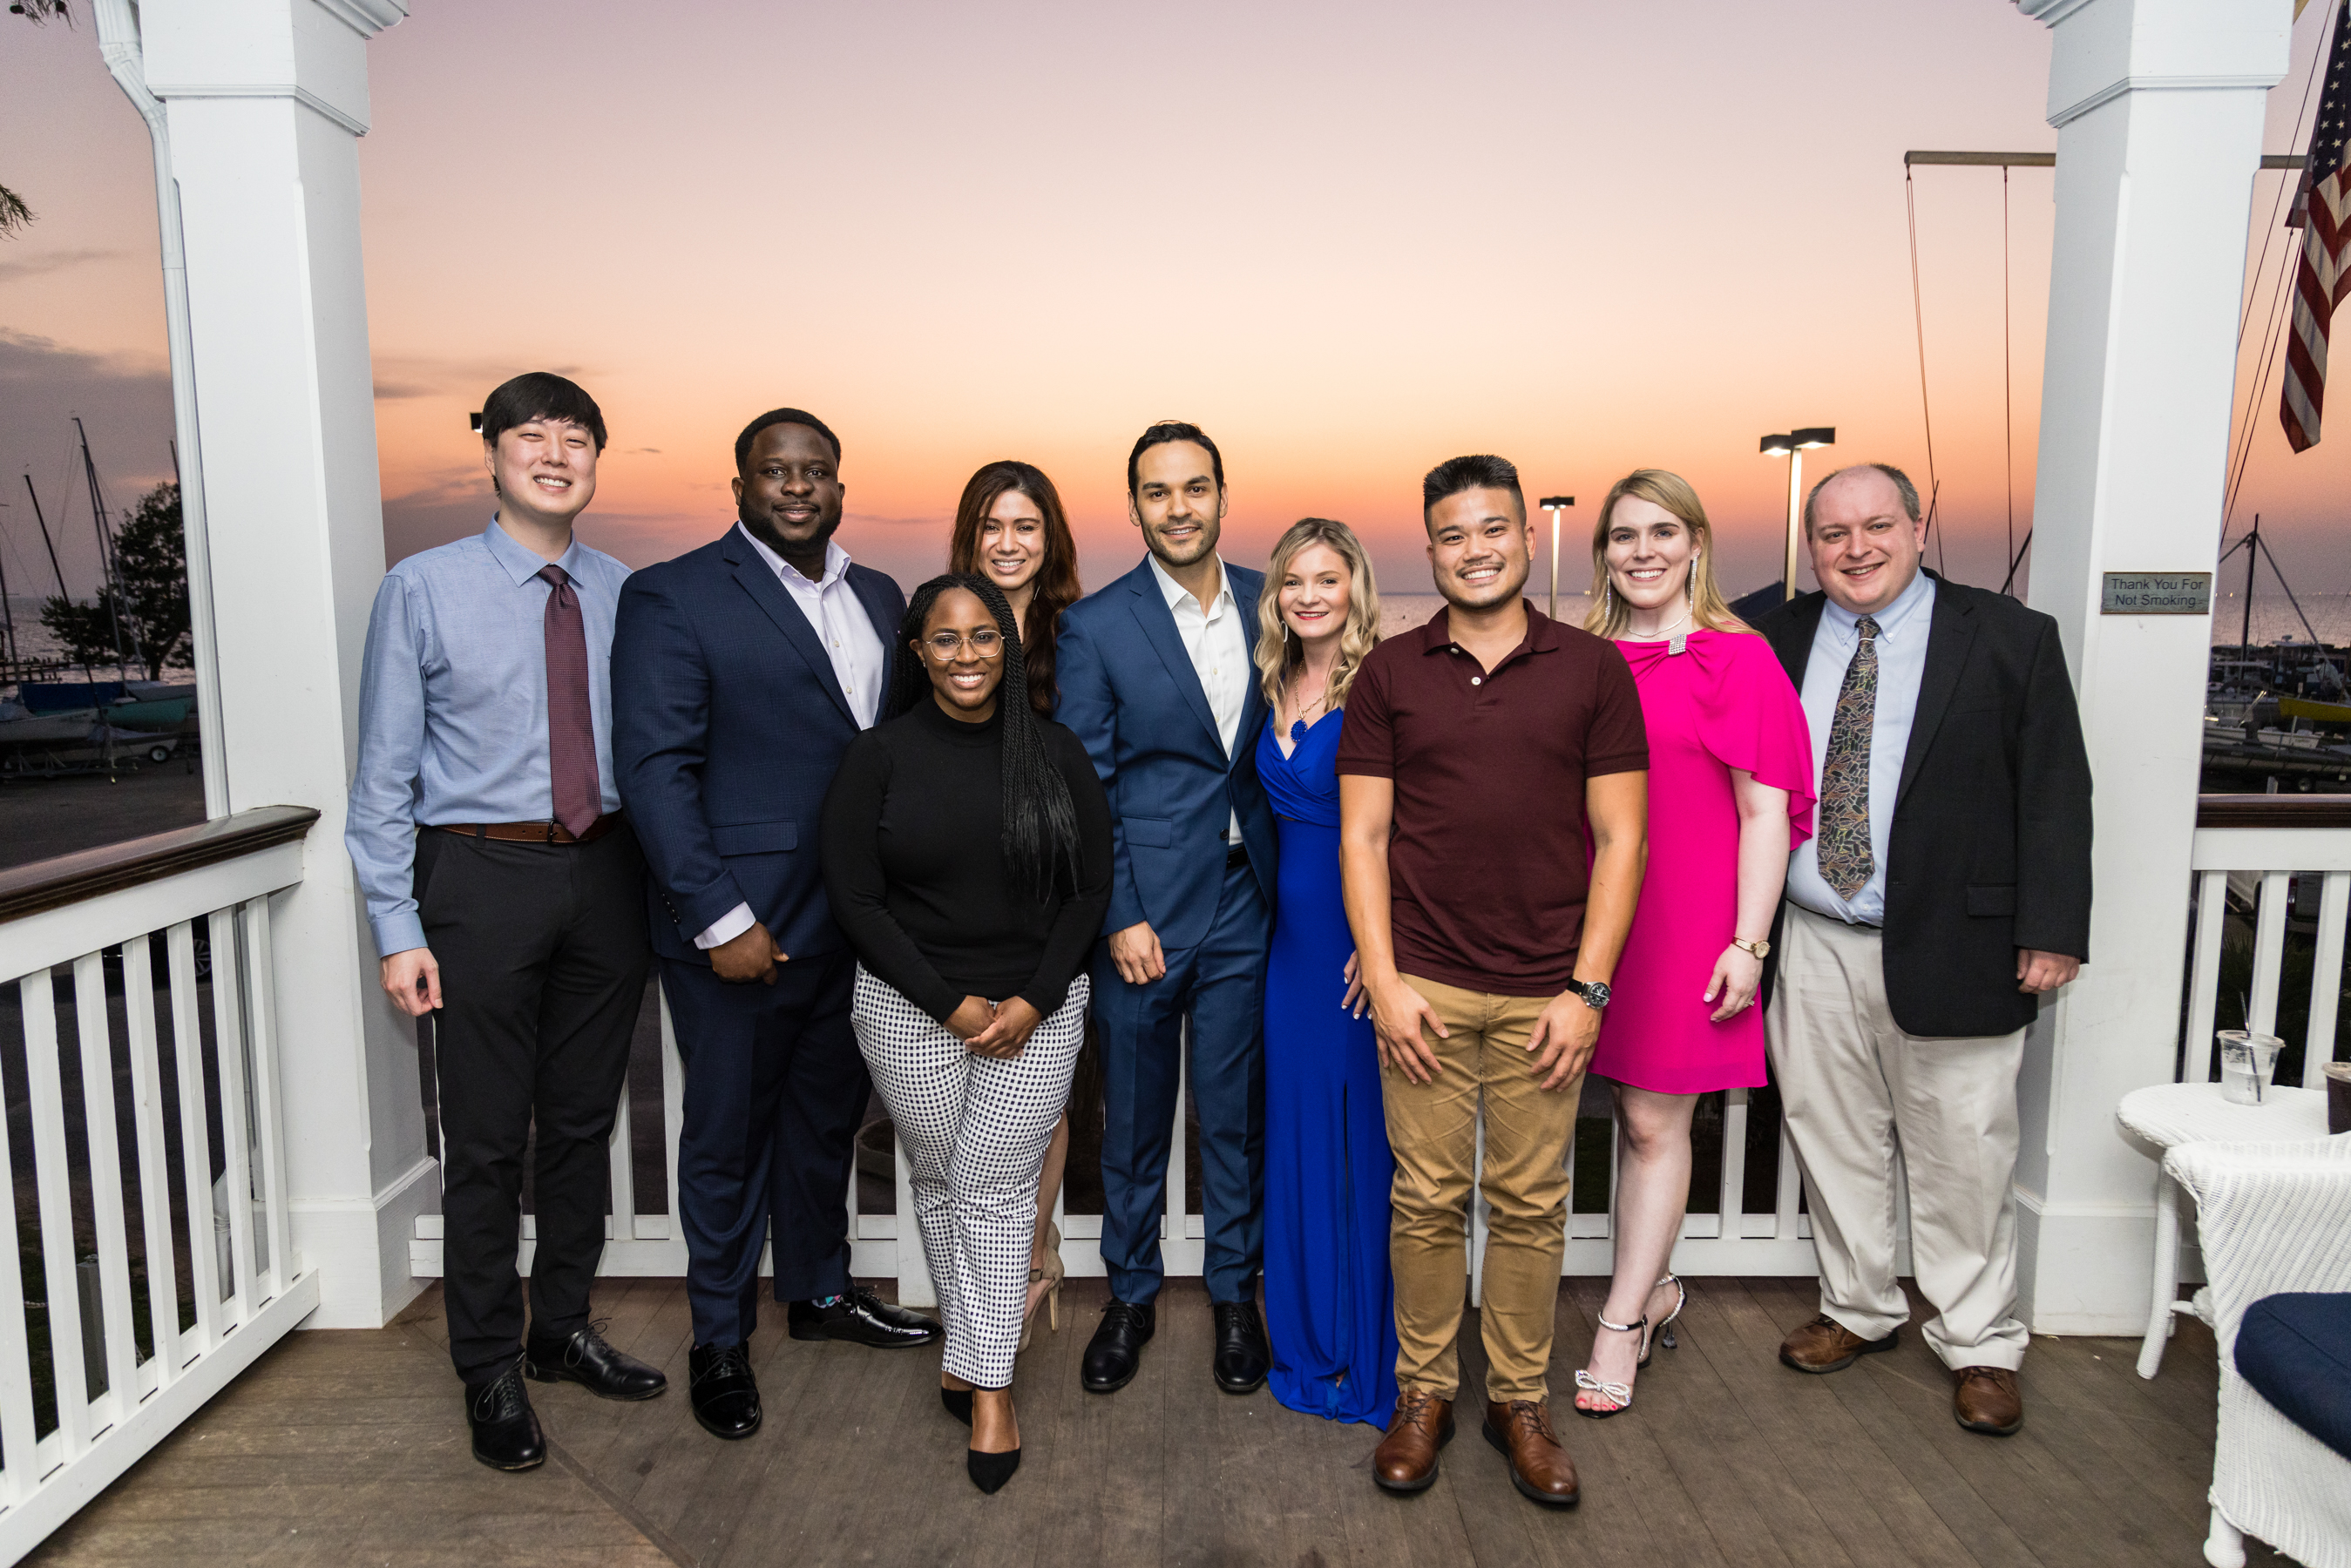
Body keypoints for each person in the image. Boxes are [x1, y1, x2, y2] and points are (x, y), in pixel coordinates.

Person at [347, 373, 667, 1472]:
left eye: (577, 437)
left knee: (581, 1123)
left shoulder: (627, 594)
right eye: (531, 434)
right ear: (490, 454)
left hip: (607, 873)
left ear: (596, 463)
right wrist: (396, 924)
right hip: (479, 875)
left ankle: (560, 1328)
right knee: (484, 1139)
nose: (555, 453)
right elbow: (382, 779)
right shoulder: (422, 589)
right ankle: (486, 1364)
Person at [612, 408, 941, 1446]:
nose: (796, 486)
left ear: (840, 486)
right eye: (775, 470)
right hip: (741, 932)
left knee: (821, 1127)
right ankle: (719, 1340)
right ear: (740, 485)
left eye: (815, 471)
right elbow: (655, 770)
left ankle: (820, 1293)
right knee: (725, 1140)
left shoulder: (879, 595)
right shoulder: (672, 594)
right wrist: (720, 917)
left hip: (853, 925)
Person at [1755, 462, 2090, 1439]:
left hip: (1960, 942)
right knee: (1830, 1134)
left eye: (1876, 526)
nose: (1855, 549)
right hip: (1812, 938)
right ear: (1810, 547)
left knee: (1965, 1152)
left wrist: (2051, 928)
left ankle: (1980, 1341)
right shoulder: (1772, 638)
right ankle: (1858, 1307)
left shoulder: (2010, 637)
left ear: (1916, 526)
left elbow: (2055, 791)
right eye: (1833, 534)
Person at [1338, 454, 1647, 1508]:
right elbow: (1363, 836)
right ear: (1430, 550)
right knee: (1425, 1199)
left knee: (1528, 1203)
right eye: (1453, 535)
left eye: (1493, 529)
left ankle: (1519, 1402)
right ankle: (1423, 1393)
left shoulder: (1591, 668)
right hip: (1422, 988)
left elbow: (1622, 838)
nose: (1475, 550)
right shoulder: (1389, 672)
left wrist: (1587, 991)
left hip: (1544, 993)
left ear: (1526, 536)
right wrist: (1384, 981)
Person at [820, 573, 1113, 1493]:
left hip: (1037, 1011)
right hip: (908, 1010)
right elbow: (856, 900)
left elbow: (1089, 891)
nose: (966, 655)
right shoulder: (878, 757)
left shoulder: (1054, 752)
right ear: (918, 652)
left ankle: (989, 1385)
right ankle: (969, 1350)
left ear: (1009, 647)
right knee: (942, 1179)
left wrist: (1033, 999)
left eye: (984, 636)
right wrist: (948, 1003)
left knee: (989, 1184)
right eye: (945, 639)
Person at [1570, 470, 1814, 1418]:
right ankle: (1658, 1285)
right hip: (1588, 918)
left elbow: (1766, 815)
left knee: (1649, 1123)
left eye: (1662, 532)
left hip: (1685, 924)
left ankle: (1620, 1322)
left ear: (1696, 544)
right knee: (1584, 1115)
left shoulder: (1739, 661)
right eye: (1623, 535)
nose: (1643, 552)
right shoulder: (1582, 659)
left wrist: (1748, 944)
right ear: (1603, 554)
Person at [1054, 421, 1277, 1396]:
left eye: (1195, 488)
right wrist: (1118, 914)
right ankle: (1131, 1297)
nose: (1178, 508)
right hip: (1142, 912)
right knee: (1135, 1123)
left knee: (1233, 1117)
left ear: (1223, 495)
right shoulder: (1097, 626)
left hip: (1246, 900)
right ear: (1135, 505)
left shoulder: (1274, 602)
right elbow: (1086, 787)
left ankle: (1234, 1295)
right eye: (1157, 491)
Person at [1252, 517, 1399, 1428]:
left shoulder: (1381, 684)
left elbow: (1417, 823)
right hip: (1289, 953)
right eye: (1293, 581)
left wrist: (1382, 945)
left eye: (1327, 579)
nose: (1309, 596)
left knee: (1363, 1148)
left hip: (1354, 951)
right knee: (1299, 1137)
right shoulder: (1270, 681)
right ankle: (1306, 1340)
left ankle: (1366, 1348)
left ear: (1355, 590)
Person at [945, 460, 1085, 1346]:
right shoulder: (941, 621)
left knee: (1045, 1090)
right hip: (960, 890)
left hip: (1056, 888)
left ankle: (1031, 1260)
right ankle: (983, 1272)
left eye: (1025, 526)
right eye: (991, 526)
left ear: (1050, 538)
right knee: (972, 1087)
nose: (1008, 543)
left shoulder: (1080, 634)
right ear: (969, 535)